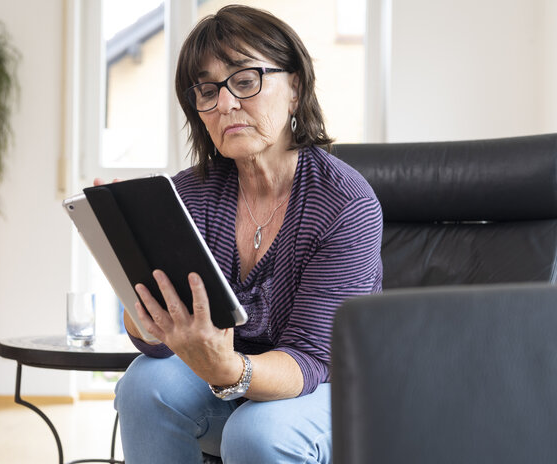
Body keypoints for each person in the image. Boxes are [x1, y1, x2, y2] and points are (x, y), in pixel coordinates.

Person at [113, 5, 382, 464]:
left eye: (245, 81)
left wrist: (226, 368)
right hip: (228, 377)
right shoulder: (188, 194)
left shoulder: (345, 203)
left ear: (295, 87)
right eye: (207, 89)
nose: (225, 104)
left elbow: (311, 360)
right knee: (141, 386)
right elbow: (158, 344)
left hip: (326, 389)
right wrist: (143, 312)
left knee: (256, 432)